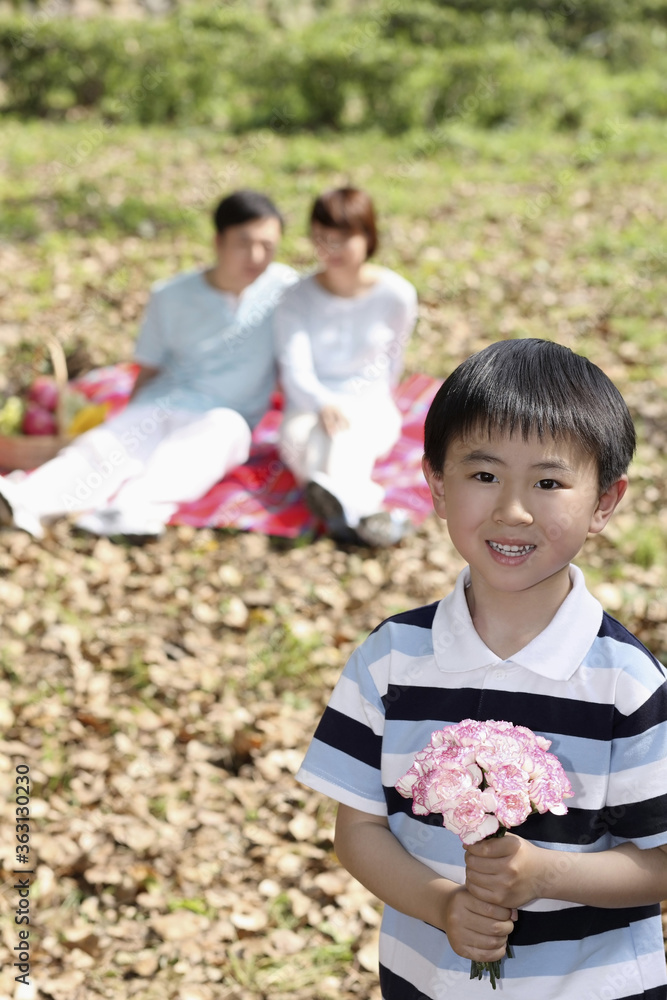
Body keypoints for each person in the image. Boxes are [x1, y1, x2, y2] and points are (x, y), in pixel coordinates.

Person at [296, 338, 667, 999]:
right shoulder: (391, 661)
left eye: (548, 483)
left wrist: (545, 874)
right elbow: (358, 830)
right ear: (435, 484)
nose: (511, 511)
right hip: (428, 978)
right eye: (483, 475)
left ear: (604, 503)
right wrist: (442, 905)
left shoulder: (624, 683)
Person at [0, 190, 297, 538]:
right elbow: (148, 370)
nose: (256, 256)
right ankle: (24, 501)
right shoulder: (170, 296)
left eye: (268, 246)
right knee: (107, 445)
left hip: (223, 418)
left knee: (219, 434)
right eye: (244, 243)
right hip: (162, 403)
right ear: (219, 241)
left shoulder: (288, 290)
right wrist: (131, 416)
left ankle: (126, 511)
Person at [274, 187, 418, 547]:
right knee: (302, 442)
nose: (331, 250)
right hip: (307, 405)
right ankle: (366, 516)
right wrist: (321, 402)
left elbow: (390, 364)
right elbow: (294, 369)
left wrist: (353, 403)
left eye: (342, 239)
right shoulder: (296, 297)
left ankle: (340, 508)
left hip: (369, 404)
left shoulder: (396, 295)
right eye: (322, 240)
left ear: (367, 236)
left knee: (344, 440)